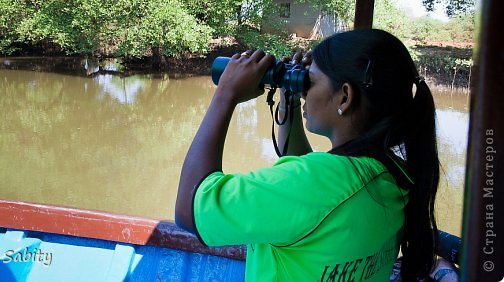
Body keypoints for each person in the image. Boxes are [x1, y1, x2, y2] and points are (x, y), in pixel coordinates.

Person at [176, 29, 441, 281]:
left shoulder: (317, 182)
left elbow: (190, 210)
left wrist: (225, 94)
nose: (303, 92)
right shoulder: (393, 174)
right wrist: (288, 97)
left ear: (345, 97)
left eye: (309, 81)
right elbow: (313, 199)